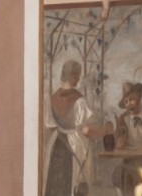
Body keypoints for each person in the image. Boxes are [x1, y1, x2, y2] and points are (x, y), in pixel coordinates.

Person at [46, 59, 109, 196]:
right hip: (74, 147)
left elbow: (51, 126)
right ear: (73, 76)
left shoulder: (52, 98)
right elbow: (85, 130)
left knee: (55, 183)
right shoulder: (79, 100)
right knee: (74, 183)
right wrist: (102, 131)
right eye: (78, 75)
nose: (79, 78)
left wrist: (63, 127)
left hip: (57, 144)